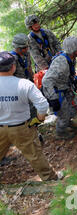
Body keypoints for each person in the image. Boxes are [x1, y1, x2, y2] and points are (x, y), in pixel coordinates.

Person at [0, 51, 62, 181]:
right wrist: (39, 119)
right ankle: (50, 178)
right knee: (35, 155)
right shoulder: (24, 84)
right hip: (21, 128)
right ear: (13, 66)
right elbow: (42, 105)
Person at [42, 36, 77, 140]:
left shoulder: (71, 58)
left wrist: (75, 82)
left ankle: (68, 123)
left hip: (65, 87)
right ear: (72, 50)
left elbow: (68, 74)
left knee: (74, 107)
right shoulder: (61, 62)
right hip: (56, 91)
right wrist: (53, 99)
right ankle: (60, 132)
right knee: (63, 114)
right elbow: (46, 80)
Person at [10, 33, 37, 119]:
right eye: (24, 48)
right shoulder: (11, 59)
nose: (26, 49)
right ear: (17, 47)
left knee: (33, 107)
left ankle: (34, 128)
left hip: (28, 84)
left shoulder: (27, 54)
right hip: (17, 88)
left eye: (27, 47)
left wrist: (33, 79)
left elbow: (29, 67)